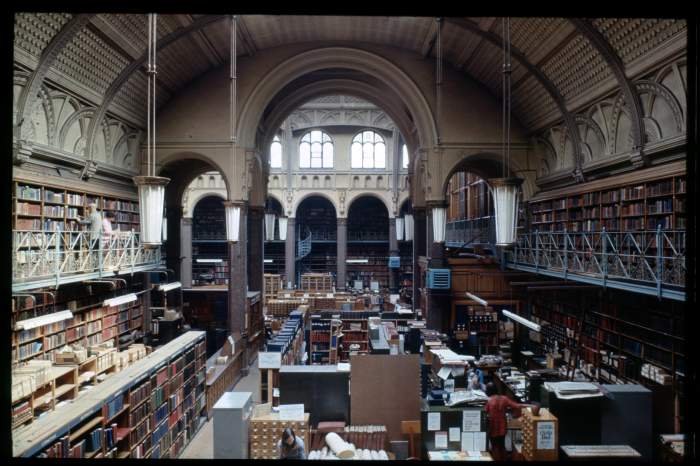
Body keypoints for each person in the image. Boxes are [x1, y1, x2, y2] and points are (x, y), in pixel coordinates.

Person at [484, 382, 536, 461]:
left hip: (493, 427)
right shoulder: (504, 398)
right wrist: (531, 406)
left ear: (488, 391)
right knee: (502, 445)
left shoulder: (488, 401)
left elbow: (485, 413)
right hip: (502, 427)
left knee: (495, 447)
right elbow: (517, 406)